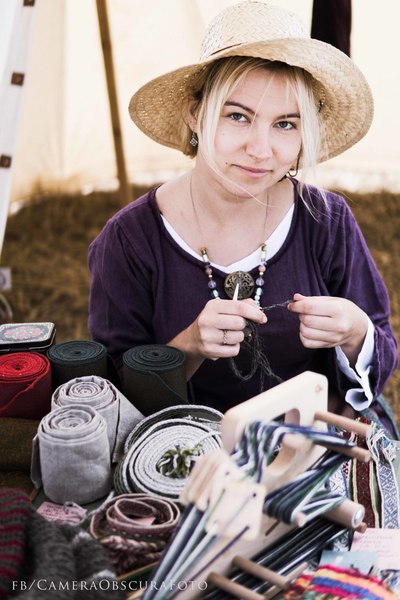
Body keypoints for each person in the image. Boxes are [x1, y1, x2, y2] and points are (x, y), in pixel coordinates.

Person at [88, 1, 398, 435]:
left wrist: (355, 332)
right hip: (188, 452)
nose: (260, 149)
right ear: (195, 114)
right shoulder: (130, 239)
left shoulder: (326, 220)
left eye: (285, 124)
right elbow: (112, 392)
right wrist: (188, 347)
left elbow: (380, 344)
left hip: (315, 438)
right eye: (238, 116)